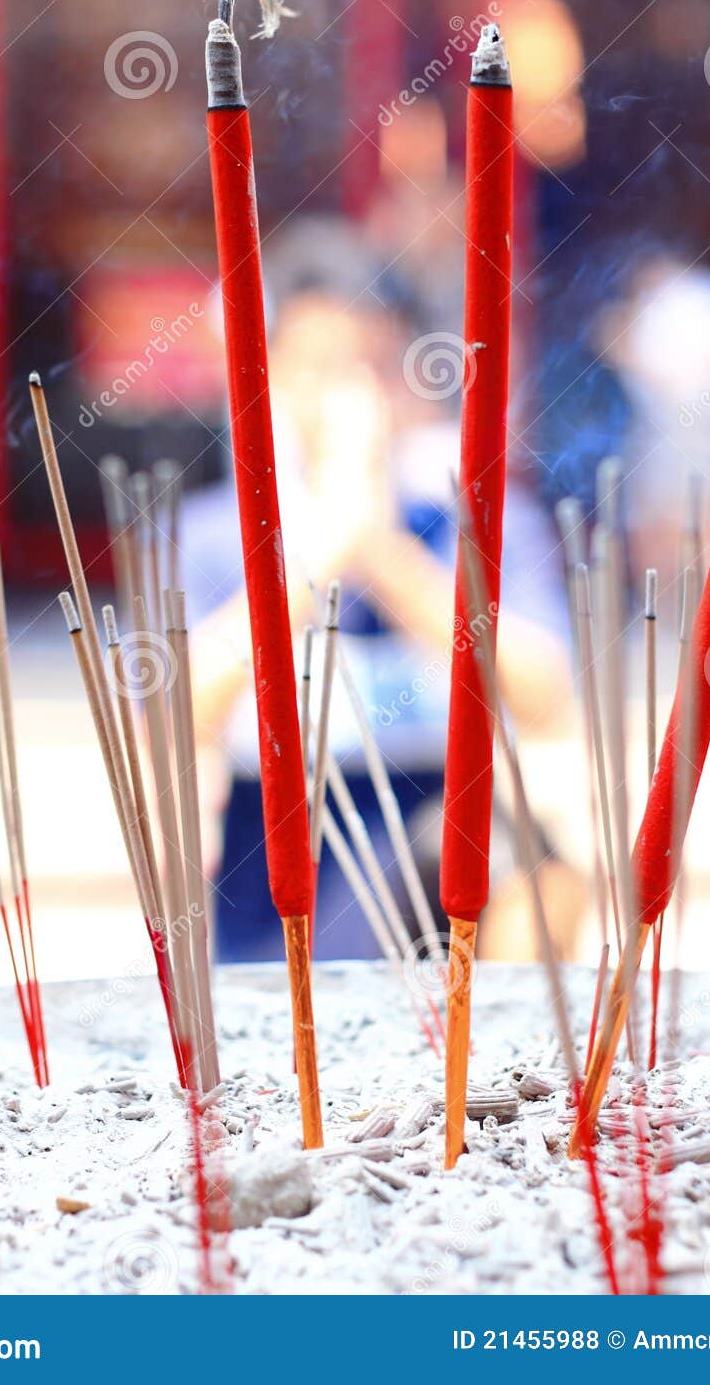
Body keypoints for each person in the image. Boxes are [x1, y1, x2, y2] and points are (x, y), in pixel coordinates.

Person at [183, 219, 581, 964]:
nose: (351, 395)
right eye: (320, 369)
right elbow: (176, 713)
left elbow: (544, 695)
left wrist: (382, 549)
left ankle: (508, 1064)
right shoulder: (216, 530)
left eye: (372, 366)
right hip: (280, 837)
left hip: (440, 823)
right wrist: (322, 553)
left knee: (540, 869)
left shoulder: (475, 522)